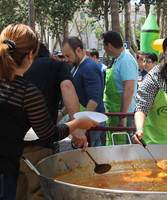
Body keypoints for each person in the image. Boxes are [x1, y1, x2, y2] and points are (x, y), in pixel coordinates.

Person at [0, 23, 98, 200]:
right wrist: (77, 124)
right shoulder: (26, 91)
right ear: (30, 55)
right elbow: (48, 133)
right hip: (19, 160)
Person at [15, 43, 82, 200]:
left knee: (15, 193)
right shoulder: (55, 65)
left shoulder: (8, 66)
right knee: (40, 192)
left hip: (8, 147)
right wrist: (77, 127)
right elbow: (67, 87)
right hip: (39, 146)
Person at [62, 36, 106, 147]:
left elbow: (94, 100)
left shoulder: (89, 67)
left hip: (92, 123)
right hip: (85, 121)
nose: (66, 59)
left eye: (68, 56)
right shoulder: (77, 66)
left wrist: (82, 127)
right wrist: (61, 114)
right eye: (64, 56)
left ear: (78, 50)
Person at [102, 31, 138, 145]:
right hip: (116, 112)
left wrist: (122, 117)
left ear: (109, 46)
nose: (104, 49)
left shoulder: (126, 60)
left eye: (103, 45)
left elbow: (129, 89)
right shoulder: (118, 59)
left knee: (126, 151)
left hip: (125, 116)